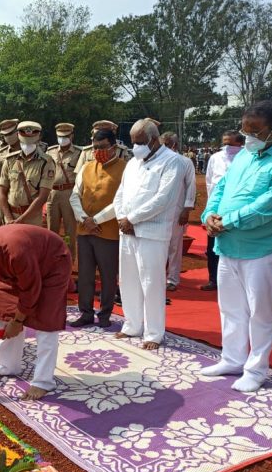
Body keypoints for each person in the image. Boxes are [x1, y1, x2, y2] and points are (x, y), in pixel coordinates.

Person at [201, 101, 272, 392]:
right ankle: (232, 358)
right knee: (231, 308)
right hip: (228, 245)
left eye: (255, 131)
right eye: (245, 130)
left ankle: (256, 369)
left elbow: (271, 204)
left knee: (260, 313)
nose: (248, 136)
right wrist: (208, 214)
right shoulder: (247, 153)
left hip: (263, 249)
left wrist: (229, 221)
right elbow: (222, 187)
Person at [0, 226, 72, 400]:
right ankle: (8, 366)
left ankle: (43, 382)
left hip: (51, 264)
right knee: (2, 312)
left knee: (46, 322)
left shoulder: (15, 252)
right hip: (16, 273)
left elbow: (31, 290)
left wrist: (18, 321)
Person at [113, 118, 183, 350]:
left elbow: (163, 199)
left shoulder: (173, 162)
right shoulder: (133, 162)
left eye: (140, 142)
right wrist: (123, 218)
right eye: (133, 142)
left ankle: (153, 333)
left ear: (154, 140)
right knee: (128, 280)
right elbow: (120, 193)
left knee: (152, 283)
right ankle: (132, 325)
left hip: (152, 233)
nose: (136, 147)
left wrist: (132, 219)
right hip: (127, 231)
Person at [69, 129, 127, 328]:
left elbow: (121, 200)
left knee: (108, 275)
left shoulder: (125, 169)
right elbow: (75, 195)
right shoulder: (86, 167)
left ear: (114, 147)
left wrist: (97, 220)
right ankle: (85, 313)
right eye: (95, 147)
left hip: (107, 232)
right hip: (84, 230)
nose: (98, 151)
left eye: (102, 147)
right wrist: (85, 219)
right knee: (85, 275)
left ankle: (105, 315)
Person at [200, 131, 244, 290]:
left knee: (235, 246)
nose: (227, 147)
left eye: (230, 144)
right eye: (224, 143)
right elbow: (209, 183)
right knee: (212, 247)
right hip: (216, 209)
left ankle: (236, 282)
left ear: (240, 144)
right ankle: (213, 280)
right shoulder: (215, 158)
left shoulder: (246, 158)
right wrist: (210, 209)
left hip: (236, 209)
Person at [0, 121, 56, 227]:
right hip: (10, 216)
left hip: (32, 218)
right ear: (18, 136)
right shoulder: (10, 160)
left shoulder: (46, 162)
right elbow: (2, 192)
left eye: (31, 142)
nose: (27, 145)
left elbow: (43, 196)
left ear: (38, 137)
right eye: (25, 141)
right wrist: (9, 218)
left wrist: (21, 219)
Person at [160, 132, 196, 292]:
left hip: (176, 211)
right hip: (156, 212)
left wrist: (186, 210)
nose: (164, 146)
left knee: (174, 246)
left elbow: (191, 186)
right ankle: (157, 277)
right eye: (162, 143)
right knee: (157, 245)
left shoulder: (185, 162)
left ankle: (172, 279)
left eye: (167, 144)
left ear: (174, 145)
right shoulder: (156, 161)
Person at [46, 123, 82, 260]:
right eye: (60, 137)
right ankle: (51, 257)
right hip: (52, 193)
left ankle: (69, 257)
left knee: (69, 230)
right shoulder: (50, 151)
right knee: (52, 228)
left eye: (66, 136)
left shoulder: (78, 153)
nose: (63, 139)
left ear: (71, 136)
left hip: (69, 193)